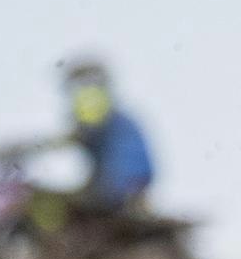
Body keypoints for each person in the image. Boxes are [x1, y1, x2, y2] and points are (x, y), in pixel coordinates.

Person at [27, 55, 156, 218]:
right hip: (128, 188)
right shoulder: (120, 118)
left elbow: (78, 135)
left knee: (44, 204)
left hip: (114, 188)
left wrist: (29, 148)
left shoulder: (98, 109)